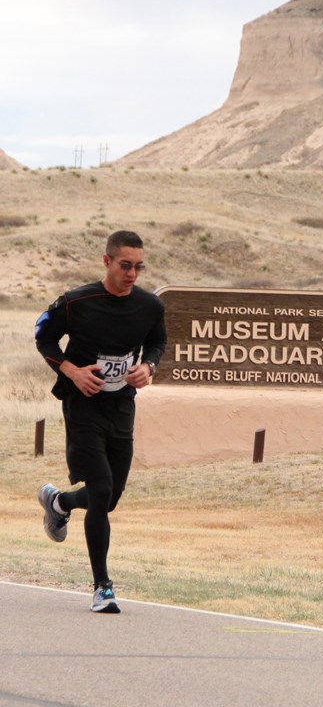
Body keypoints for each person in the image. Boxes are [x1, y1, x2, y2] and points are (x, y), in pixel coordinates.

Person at [35, 230, 166, 614]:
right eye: (126, 265)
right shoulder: (77, 302)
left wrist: (149, 366)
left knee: (109, 499)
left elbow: (158, 341)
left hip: (122, 406)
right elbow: (43, 339)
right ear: (107, 261)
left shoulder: (148, 306)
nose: (133, 274)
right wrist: (72, 371)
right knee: (102, 486)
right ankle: (102, 588)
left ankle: (59, 502)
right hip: (83, 406)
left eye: (139, 266)